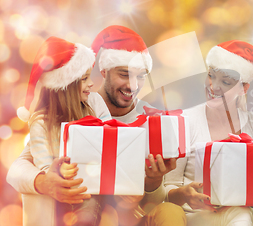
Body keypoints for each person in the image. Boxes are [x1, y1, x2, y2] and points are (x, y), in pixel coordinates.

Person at [7, 26, 184, 226]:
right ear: (104, 71)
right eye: (124, 74)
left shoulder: (151, 122)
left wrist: (149, 183)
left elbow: (154, 198)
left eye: (141, 76)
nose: (133, 86)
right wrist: (45, 180)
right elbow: (17, 169)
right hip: (78, 198)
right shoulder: (51, 120)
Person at [145, 40, 253, 226]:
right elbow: (165, 192)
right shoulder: (184, 121)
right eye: (211, 76)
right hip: (191, 215)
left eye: (226, 82)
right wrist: (183, 194)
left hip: (236, 214)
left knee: (242, 215)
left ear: (243, 88)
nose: (213, 87)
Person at [12, 36, 110, 226]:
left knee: (89, 202)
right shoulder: (41, 123)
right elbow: (45, 168)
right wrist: (59, 171)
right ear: (65, 87)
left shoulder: (94, 103)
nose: (91, 83)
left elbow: (112, 136)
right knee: (80, 202)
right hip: (66, 193)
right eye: (84, 79)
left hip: (98, 186)